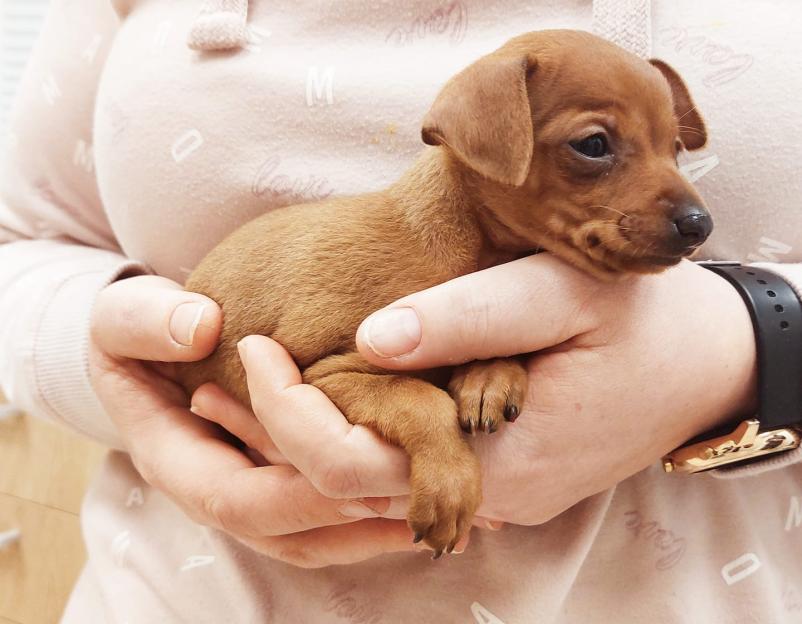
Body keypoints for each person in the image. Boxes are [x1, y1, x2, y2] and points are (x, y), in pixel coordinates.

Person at [2, 0, 801, 621]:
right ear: (490, 141)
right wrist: (119, 367)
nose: (685, 209)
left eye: (670, 148)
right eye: (595, 147)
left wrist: (761, 343)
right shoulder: (395, 259)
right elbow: (22, 243)